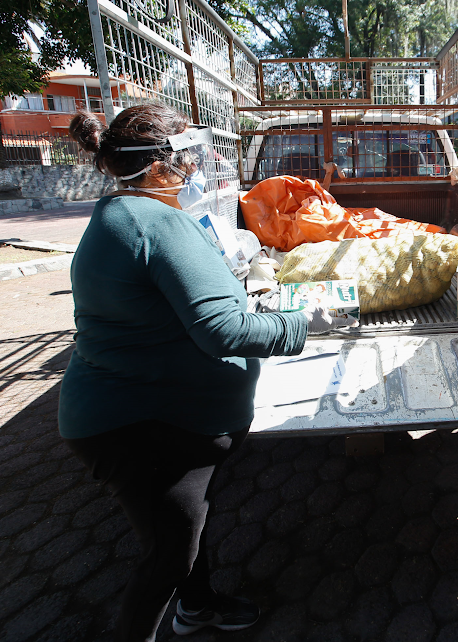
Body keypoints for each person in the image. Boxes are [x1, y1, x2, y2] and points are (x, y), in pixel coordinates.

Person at [59, 103, 355, 641]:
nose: (196, 170)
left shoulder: (119, 214)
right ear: (154, 166)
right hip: (141, 424)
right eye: (186, 159)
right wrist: (300, 323)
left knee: (179, 532)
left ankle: (196, 608)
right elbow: (222, 329)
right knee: (169, 555)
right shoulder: (156, 222)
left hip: (142, 413)